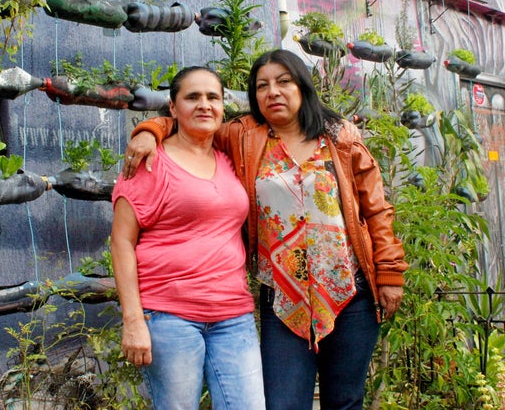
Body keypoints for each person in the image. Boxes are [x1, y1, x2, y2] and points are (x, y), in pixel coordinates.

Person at [122, 49, 407, 410]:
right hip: (282, 295)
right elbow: (194, 122)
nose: (273, 92)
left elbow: (376, 208)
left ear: (302, 86)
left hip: (348, 291)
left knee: (345, 400)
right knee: (282, 402)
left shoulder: (339, 136)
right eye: (262, 85)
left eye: (284, 81)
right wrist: (151, 129)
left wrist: (390, 271)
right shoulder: (244, 136)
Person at [111, 66, 265, 410]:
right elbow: (121, 242)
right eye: (192, 97)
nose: (204, 105)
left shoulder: (230, 159)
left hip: (233, 315)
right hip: (169, 317)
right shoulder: (150, 163)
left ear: (224, 106)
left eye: (213, 97)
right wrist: (133, 321)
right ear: (172, 107)